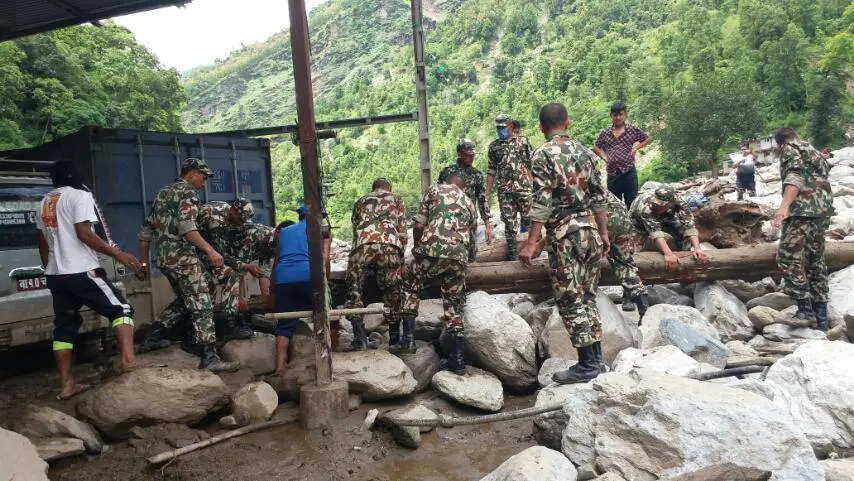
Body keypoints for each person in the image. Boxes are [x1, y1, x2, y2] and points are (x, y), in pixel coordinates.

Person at [519, 103, 611, 385]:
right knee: (587, 295)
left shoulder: (542, 154)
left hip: (565, 236)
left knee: (570, 299)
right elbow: (599, 196)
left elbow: (543, 201)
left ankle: (586, 365)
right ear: (567, 123)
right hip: (590, 232)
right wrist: (604, 233)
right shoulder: (586, 152)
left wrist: (531, 242)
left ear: (541, 127)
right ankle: (596, 360)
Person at [37, 161, 141, 400]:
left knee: (64, 328)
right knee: (121, 309)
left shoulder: (43, 203)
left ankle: (67, 384)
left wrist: (52, 267)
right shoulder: (79, 196)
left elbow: (42, 241)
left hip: (56, 275)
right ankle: (129, 362)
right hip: (82, 270)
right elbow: (84, 233)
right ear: (75, 176)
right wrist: (117, 254)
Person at [138, 158, 239, 373]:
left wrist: (144, 262)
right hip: (184, 260)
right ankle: (209, 356)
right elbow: (187, 228)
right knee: (202, 303)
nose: (205, 182)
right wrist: (211, 251)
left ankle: (153, 336)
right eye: (203, 176)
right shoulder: (188, 193)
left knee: (188, 299)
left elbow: (146, 232)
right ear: (191, 173)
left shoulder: (162, 193)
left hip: (165, 261)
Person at [400, 173, 476, 375]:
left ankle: (407, 340)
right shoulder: (469, 201)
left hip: (431, 250)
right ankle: (457, 359)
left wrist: (417, 249)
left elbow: (418, 225)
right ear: (463, 187)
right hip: (458, 256)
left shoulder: (433, 190)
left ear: (447, 182)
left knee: (410, 283)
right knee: (454, 301)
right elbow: (472, 239)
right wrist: (467, 259)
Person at [773, 127, 834, 330]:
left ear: (779, 142)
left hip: (802, 212)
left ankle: (805, 311)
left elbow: (795, 177)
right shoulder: (813, 150)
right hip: (822, 212)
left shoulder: (789, 149)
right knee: (815, 261)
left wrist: (784, 207)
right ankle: (821, 319)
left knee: (788, 257)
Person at [344, 178, 407, 352]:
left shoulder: (361, 200)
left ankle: (359, 339)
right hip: (389, 244)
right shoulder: (397, 199)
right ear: (389, 188)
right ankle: (394, 340)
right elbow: (402, 231)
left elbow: (356, 226)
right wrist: (401, 261)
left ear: (373, 188)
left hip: (362, 245)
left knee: (354, 289)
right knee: (393, 290)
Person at [272, 205, 331, 373]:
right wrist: (326, 282)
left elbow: (277, 260)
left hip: (283, 278)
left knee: (283, 325)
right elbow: (325, 258)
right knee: (323, 317)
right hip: (309, 276)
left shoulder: (284, 232)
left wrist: (272, 289)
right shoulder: (321, 230)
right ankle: (326, 364)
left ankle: (279, 369)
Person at [486, 114, 534, 260]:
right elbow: (491, 171)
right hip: (505, 192)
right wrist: (487, 193)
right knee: (509, 226)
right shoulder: (494, 147)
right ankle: (513, 257)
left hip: (525, 189)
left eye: (503, 127)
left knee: (530, 222)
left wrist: (536, 185)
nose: (500, 130)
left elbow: (532, 163)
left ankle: (533, 252)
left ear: (511, 126)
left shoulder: (523, 141)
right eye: (498, 128)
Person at [629, 185, 709, 272]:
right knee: (635, 250)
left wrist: (697, 248)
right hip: (638, 224)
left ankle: (686, 263)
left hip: (665, 218)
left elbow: (689, 226)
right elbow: (655, 232)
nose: (656, 206)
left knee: (682, 234)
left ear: (671, 203)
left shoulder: (680, 203)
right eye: (656, 203)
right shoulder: (646, 207)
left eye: (661, 205)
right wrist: (668, 254)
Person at [438, 139, 492, 261]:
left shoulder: (476, 175)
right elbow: (438, 196)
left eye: (473, 154)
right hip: (449, 220)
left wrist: (487, 224)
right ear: (460, 154)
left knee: (471, 255)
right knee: (450, 254)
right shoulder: (447, 172)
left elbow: (482, 200)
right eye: (468, 154)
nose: (472, 157)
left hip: (469, 222)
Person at [593, 102, 651, 208]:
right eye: (615, 115)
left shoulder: (633, 130)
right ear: (611, 115)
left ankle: (633, 223)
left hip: (629, 171)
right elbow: (596, 147)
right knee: (615, 204)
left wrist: (637, 147)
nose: (618, 117)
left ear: (625, 115)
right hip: (612, 173)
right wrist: (604, 157)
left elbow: (648, 138)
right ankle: (620, 224)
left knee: (632, 201)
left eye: (621, 114)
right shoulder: (605, 133)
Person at [603, 190, 649, 320]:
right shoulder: (587, 177)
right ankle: (644, 310)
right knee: (623, 263)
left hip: (598, 215)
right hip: (620, 215)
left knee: (585, 260)